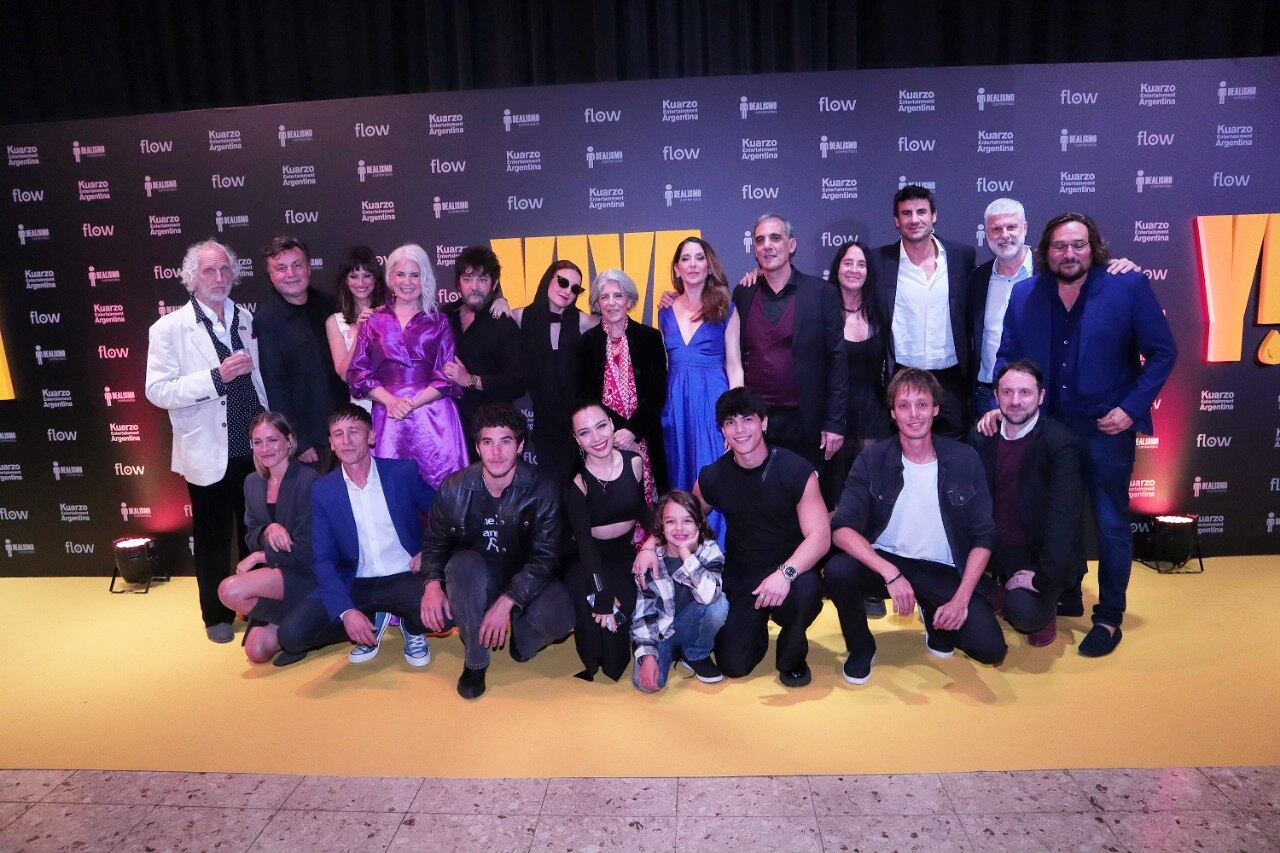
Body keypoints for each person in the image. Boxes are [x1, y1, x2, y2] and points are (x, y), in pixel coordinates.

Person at [987, 213, 1176, 657]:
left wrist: (1130, 409)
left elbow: (1163, 352)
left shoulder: (1126, 286)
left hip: (1105, 430)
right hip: (1046, 432)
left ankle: (1110, 617)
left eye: (1077, 245)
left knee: (1110, 524)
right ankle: (1066, 592)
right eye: (1058, 246)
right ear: (1045, 251)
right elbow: (1008, 356)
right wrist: (1002, 402)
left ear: (1093, 247)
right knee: (1055, 516)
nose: (1068, 254)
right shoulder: (1025, 293)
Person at [635, 387, 827, 687]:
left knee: (807, 590)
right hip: (743, 575)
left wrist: (785, 574)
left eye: (747, 420)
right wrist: (649, 545)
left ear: (763, 422)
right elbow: (680, 518)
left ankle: (793, 653)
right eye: (730, 422)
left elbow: (820, 537)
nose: (739, 430)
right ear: (722, 429)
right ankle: (757, 626)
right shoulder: (713, 476)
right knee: (733, 665)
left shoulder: (796, 470)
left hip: (791, 569)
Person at [827, 368, 1006, 685]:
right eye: (904, 405)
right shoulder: (873, 460)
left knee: (990, 648)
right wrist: (890, 573)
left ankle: (934, 614)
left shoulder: (965, 458)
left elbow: (983, 537)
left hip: (942, 569)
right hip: (887, 562)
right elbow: (841, 529)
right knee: (840, 570)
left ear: (936, 409)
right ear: (892, 412)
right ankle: (860, 647)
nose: (914, 414)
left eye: (922, 405)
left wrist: (960, 599)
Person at [145, 239, 266, 643]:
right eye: (209, 271)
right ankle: (215, 613)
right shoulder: (168, 328)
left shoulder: (245, 318)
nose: (218, 278)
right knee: (214, 536)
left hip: (256, 449)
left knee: (255, 533)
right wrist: (216, 378)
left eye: (225, 270)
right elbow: (158, 391)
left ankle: (258, 606)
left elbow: (259, 378)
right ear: (191, 278)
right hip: (208, 450)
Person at [419, 403, 575, 700]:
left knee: (562, 615)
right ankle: (475, 661)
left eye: (505, 441)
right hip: (474, 582)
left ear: (520, 446)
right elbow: (435, 543)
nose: (496, 452)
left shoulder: (542, 489)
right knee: (462, 565)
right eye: (488, 442)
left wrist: (509, 601)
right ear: (477, 448)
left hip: (524, 579)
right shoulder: (454, 488)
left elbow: (546, 556)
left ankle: (521, 641)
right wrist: (431, 585)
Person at [277, 404, 436, 667]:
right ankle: (369, 619)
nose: (346, 440)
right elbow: (323, 559)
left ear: (371, 437)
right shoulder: (323, 490)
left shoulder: (401, 473)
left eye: (354, 431)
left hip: (404, 575)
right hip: (355, 581)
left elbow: (445, 515)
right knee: (291, 636)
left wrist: (429, 551)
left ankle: (412, 626)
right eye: (338, 434)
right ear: (331, 442)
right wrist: (347, 611)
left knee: (445, 613)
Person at [966, 199, 1140, 415]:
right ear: (986, 233)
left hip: (1045, 397)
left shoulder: (1054, 271)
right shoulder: (977, 278)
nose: (1004, 234)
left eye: (1011, 227)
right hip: (990, 395)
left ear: (1025, 228)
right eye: (996, 229)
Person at [967, 360, 1085, 647]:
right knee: (940, 586)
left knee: (1022, 613)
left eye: (1025, 393)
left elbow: (1064, 521)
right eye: (1007, 393)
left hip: (1039, 556)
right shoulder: (983, 436)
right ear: (995, 396)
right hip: (995, 550)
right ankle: (996, 590)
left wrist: (1041, 579)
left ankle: (1042, 601)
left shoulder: (1060, 444)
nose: (1015, 401)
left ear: (1041, 397)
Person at [347, 242, 468, 489]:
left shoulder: (439, 321)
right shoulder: (373, 321)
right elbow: (358, 374)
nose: (407, 282)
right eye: (400, 274)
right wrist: (392, 402)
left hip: (434, 416)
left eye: (415, 274)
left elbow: (446, 376)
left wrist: (412, 403)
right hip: (389, 416)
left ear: (425, 278)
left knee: (442, 490)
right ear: (390, 278)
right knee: (393, 491)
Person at [734, 214, 847, 472]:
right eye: (760, 240)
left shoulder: (821, 293)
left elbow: (837, 361)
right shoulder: (743, 293)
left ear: (791, 245)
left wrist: (834, 423)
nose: (767, 245)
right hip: (757, 423)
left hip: (807, 421)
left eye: (775, 238)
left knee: (810, 501)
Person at [872, 185, 977, 439]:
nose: (915, 219)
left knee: (954, 455)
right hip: (902, 376)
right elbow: (842, 286)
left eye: (921, 212)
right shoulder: (878, 261)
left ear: (934, 216)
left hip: (951, 378)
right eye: (906, 213)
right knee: (904, 455)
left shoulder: (961, 256)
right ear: (897, 221)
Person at [217, 412, 319, 665]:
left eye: (273, 440)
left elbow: (308, 548)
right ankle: (303, 622)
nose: (266, 448)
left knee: (229, 589)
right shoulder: (252, 482)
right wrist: (267, 530)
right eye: (258, 442)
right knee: (257, 651)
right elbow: (251, 534)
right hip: (275, 574)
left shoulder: (309, 480)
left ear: (290, 441)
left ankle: (309, 620)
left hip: (306, 572)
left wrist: (259, 555)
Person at [658, 237, 741, 541]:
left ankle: (719, 553)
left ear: (709, 266)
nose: (693, 264)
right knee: (681, 478)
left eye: (699, 258)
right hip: (676, 406)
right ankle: (684, 555)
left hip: (713, 404)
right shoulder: (664, 311)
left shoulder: (727, 308)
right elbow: (667, 365)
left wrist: (736, 417)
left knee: (713, 476)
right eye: (686, 259)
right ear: (677, 269)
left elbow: (734, 366)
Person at [563, 402, 651, 682]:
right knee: (599, 611)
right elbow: (585, 544)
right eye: (585, 432)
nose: (597, 437)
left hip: (623, 555)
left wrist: (656, 541)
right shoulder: (577, 482)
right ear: (576, 439)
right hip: (587, 561)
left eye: (601, 426)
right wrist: (600, 591)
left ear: (613, 426)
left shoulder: (634, 462)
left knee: (615, 663)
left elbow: (643, 511)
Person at [255, 236, 348, 471]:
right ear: (270, 275)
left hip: (346, 430)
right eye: (281, 268)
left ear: (308, 268)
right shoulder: (267, 321)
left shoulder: (330, 304)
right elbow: (275, 388)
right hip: (311, 443)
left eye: (297, 265)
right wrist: (299, 440)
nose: (291, 273)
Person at [579, 268, 669, 497]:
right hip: (604, 440)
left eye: (618, 295)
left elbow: (657, 393)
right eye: (604, 297)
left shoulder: (650, 337)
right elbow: (587, 397)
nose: (611, 303)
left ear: (629, 300)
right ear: (597, 304)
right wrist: (616, 432)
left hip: (645, 436)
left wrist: (632, 432)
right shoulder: (587, 343)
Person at [632, 490, 729, 692]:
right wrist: (648, 655)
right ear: (661, 526)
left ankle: (695, 652)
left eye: (687, 520)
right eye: (670, 521)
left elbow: (710, 595)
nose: (679, 528)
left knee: (719, 605)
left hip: (692, 624)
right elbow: (643, 612)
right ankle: (669, 651)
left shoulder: (710, 551)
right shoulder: (651, 560)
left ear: (698, 524)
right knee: (648, 686)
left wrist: (686, 555)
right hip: (662, 632)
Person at [512, 261, 599, 483]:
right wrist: (500, 301)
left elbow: (617, 324)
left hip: (576, 425)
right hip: (543, 426)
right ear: (548, 279)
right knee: (551, 490)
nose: (567, 291)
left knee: (578, 489)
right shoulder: (522, 317)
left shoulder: (582, 321)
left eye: (575, 288)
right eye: (562, 282)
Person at [821, 240, 892, 505]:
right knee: (834, 495)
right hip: (833, 417)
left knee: (871, 492)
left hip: (874, 415)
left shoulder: (880, 312)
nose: (854, 269)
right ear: (836, 268)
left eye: (861, 264)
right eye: (848, 262)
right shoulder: (821, 311)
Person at [441, 245, 526, 441]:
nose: (474, 286)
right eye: (467, 279)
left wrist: (470, 380)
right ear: (458, 283)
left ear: (494, 284)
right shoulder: (446, 316)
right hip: (449, 426)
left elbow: (517, 383)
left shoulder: (503, 324)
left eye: (482, 279)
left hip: (491, 433)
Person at [324, 245, 388, 413]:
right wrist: (361, 332)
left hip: (394, 402)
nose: (361, 283)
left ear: (376, 278)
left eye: (367, 275)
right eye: (354, 276)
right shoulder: (335, 322)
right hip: (361, 408)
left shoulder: (391, 314)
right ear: (346, 279)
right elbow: (345, 374)